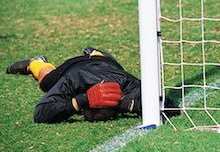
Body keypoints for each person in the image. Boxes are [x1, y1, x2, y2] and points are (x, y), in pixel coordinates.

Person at [6, 47, 178, 123]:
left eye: (100, 112)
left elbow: (171, 107)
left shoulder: (124, 83)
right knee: (47, 81)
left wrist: (128, 104)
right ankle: (37, 62)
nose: (96, 117)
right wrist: (79, 101)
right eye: (94, 110)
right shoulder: (73, 80)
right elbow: (40, 112)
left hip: (107, 64)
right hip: (73, 66)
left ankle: (96, 53)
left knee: (105, 61)